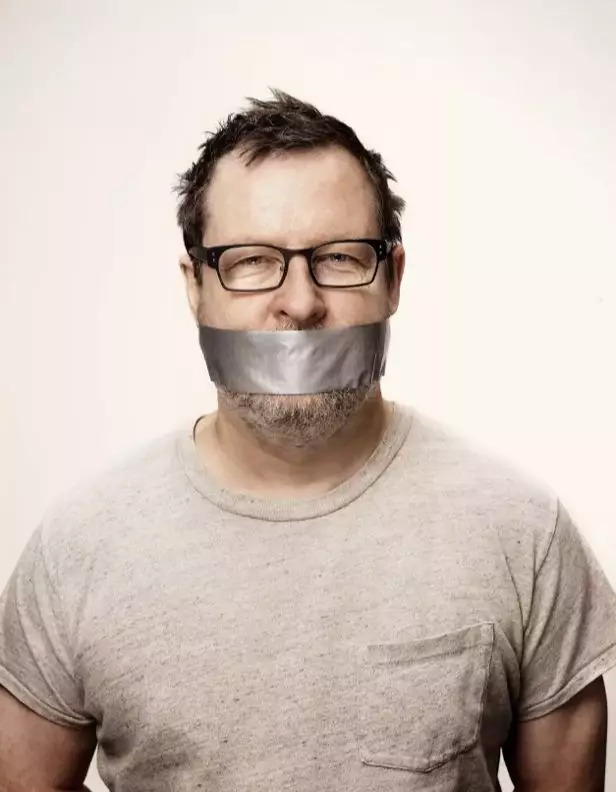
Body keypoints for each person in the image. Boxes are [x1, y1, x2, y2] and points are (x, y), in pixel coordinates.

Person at [1, 91, 615, 792]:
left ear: (393, 279)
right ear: (195, 286)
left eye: (340, 257)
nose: (299, 303)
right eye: (251, 261)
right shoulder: (78, 550)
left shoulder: (524, 533)